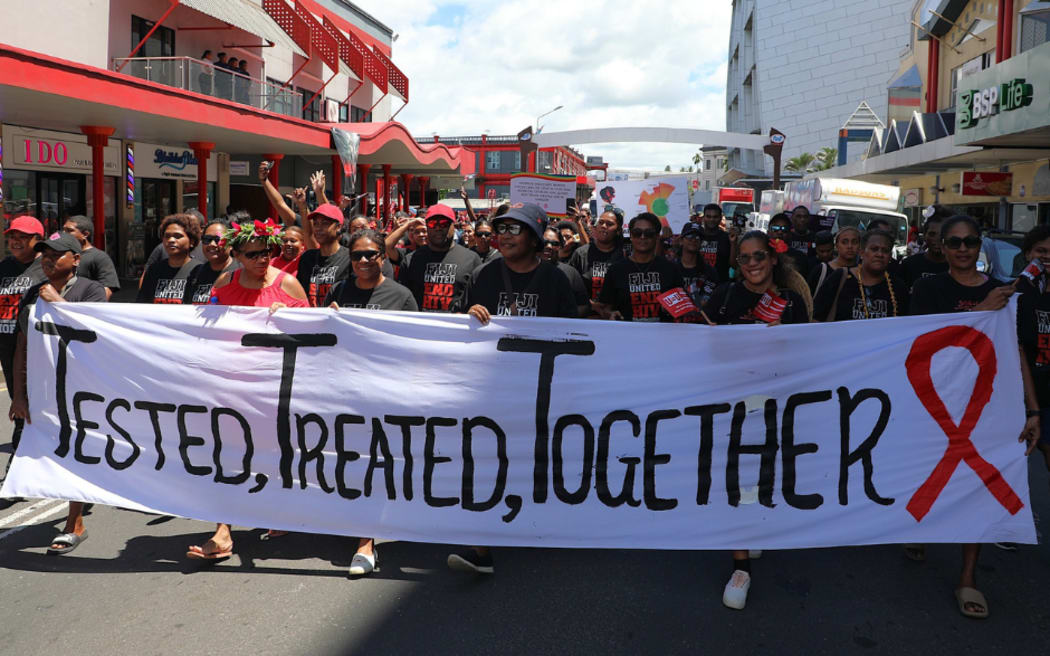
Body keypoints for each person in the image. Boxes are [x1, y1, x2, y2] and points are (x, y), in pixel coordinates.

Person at [908, 214, 1038, 619]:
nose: (963, 249)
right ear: (942, 247)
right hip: (936, 404)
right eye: (955, 242)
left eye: (970, 242)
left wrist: (1031, 409)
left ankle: (968, 576)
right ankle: (917, 525)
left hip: (989, 406)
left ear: (979, 245)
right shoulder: (929, 288)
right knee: (930, 475)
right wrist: (982, 311)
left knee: (980, 489)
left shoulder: (1005, 291)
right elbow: (921, 341)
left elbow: (1016, 352)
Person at [450, 204, 578, 575]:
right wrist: (468, 314)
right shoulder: (483, 274)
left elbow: (574, 335)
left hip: (542, 390)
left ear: (535, 238)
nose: (504, 235)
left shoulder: (556, 280)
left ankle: (544, 526)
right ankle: (481, 547)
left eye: (515, 229)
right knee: (486, 457)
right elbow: (458, 327)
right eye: (500, 228)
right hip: (494, 388)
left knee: (538, 459)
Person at [700, 230, 811, 610]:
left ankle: (752, 526)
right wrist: (711, 336)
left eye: (759, 256)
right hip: (732, 401)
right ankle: (740, 565)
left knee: (767, 470)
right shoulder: (724, 297)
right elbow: (701, 350)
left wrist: (789, 337)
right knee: (736, 475)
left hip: (778, 400)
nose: (752, 264)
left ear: (773, 258)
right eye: (744, 258)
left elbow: (810, 352)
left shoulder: (792, 300)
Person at [187, 219, 308, 561]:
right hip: (234, 386)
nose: (261, 259)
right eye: (252, 254)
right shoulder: (225, 282)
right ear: (236, 255)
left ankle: (279, 511)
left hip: (276, 391)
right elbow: (208, 327)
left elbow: (314, 341)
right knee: (229, 454)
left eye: (266, 252)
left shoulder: (290, 285)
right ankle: (223, 532)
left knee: (275, 455)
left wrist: (290, 318)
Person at [8, 233, 107, 554]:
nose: (49, 260)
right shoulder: (32, 294)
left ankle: (74, 521)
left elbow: (97, 332)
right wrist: (19, 396)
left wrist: (59, 303)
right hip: (44, 389)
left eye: (57, 255)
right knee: (51, 450)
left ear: (76, 259)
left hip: (82, 388)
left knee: (75, 450)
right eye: (45, 255)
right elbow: (22, 347)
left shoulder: (90, 290)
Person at [0, 216, 45, 499]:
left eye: (23, 236)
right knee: (20, 404)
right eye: (12, 236)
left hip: (35, 350)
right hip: (7, 349)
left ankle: (17, 470)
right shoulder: (3, 267)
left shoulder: (45, 268)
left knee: (27, 407)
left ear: (36, 240)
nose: (15, 241)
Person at [595, 213, 684, 322]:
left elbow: (683, 308)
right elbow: (605, 308)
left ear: (657, 237)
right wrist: (610, 314)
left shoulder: (671, 269)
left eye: (649, 233)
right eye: (637, 233)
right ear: (631, 236)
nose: (642, 237)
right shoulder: (616, 270)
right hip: (628, 335)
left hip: (663, 336)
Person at [395, 204, 481, 313]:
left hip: (457, 327)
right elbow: (401, 300)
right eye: (432, 224)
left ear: (453, 226)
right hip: (420, 327)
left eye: (444, 224)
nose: (438, 228)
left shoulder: (472, 259)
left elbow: (479, 299)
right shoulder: (411, 260)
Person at [812, 229, 907, 321]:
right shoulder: (840, 278)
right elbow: (816, 320)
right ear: (861, 252)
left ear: (890, 256)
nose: (879, 254)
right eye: (874, 249)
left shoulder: (898, 287)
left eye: (885, 251)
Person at [1017, 224, 1050, 475]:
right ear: (1028, 254)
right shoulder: (1016, 294)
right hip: (1019, 395)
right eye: (1041, 250)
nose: (1047, 256)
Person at [325, 229, 417, 313]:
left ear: (383, 257)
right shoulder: (337, 291)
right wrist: (330, 317)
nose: (363, 260)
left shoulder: (402, 296)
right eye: (356, 255)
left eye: (370, 254)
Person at [136, 214, 201, 304]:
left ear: (192, 242)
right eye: (167, 236)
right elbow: (142, 303)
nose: (171, 240)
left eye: (178, 236)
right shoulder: (153, 270)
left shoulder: (199, 271)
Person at [296, 203, 351, 307]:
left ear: (338, 227)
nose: (318, 228)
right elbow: (299, 294)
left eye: (325, 223)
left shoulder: (350, 258)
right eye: (316, 223)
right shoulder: (307, 258)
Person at [568, 209, 624, 310]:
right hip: (586, 319)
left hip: (615, 319)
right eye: (601, 222)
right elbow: (569, 288)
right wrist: (591, 306)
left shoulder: (623, 256)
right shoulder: (581, 254)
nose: (603, 226)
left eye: (609, 224)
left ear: (618, 230)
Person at [61, 215, 120, 299]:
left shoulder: (100, 257)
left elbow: (106, 291)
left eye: (69, 231)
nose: (64, 234)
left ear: (85, 234)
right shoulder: (63, 255)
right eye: (63, 230)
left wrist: (86, 309)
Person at [185, 220, 240, 304]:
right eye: (207, 239)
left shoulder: (241, 271)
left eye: (218, 239)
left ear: (231, 243)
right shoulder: (196, 273)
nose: (212, 244)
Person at [542, 227, 589, 317]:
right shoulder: (523, 268)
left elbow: (584, 306)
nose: (549, 246)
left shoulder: (571, 273)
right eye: (545, 242)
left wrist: (564, 319)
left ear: (560, 246)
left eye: (554, 243)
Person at [899, 213, 949, 293]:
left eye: (942, 234)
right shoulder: (908, 265)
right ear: (925, 235)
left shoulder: (956, 267)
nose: (937, 239)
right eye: (932, 234)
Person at [676, 222, 720, 309]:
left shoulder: (710, 271)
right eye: (689, 236)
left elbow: (709, 299)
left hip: (700, 320)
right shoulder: (671, 269)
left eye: (697, 237)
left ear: (702, 242)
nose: (693, 240)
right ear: (681, 240)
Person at [807, 226, 860, 295]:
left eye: (854, 242)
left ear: (860, 246)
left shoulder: (863, 273)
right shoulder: (821, 270)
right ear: (837, 245)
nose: (850, 246)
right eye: (844, 242)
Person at [696, 203, 734, 281]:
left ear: (720, 218)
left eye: (715, 217)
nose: (711, 219)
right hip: (698, 283)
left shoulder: (727, 238)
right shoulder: (696, 236)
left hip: (720, 285)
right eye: (708, 216)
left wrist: (733, 243)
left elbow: (734, 265)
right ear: (703, 218)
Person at [768, 213, 812, 279]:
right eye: (775, 228)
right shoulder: (761, 254)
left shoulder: (800, 258)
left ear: (789, 234)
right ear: (768, 232)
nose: (780, 232)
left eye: (784, 229)